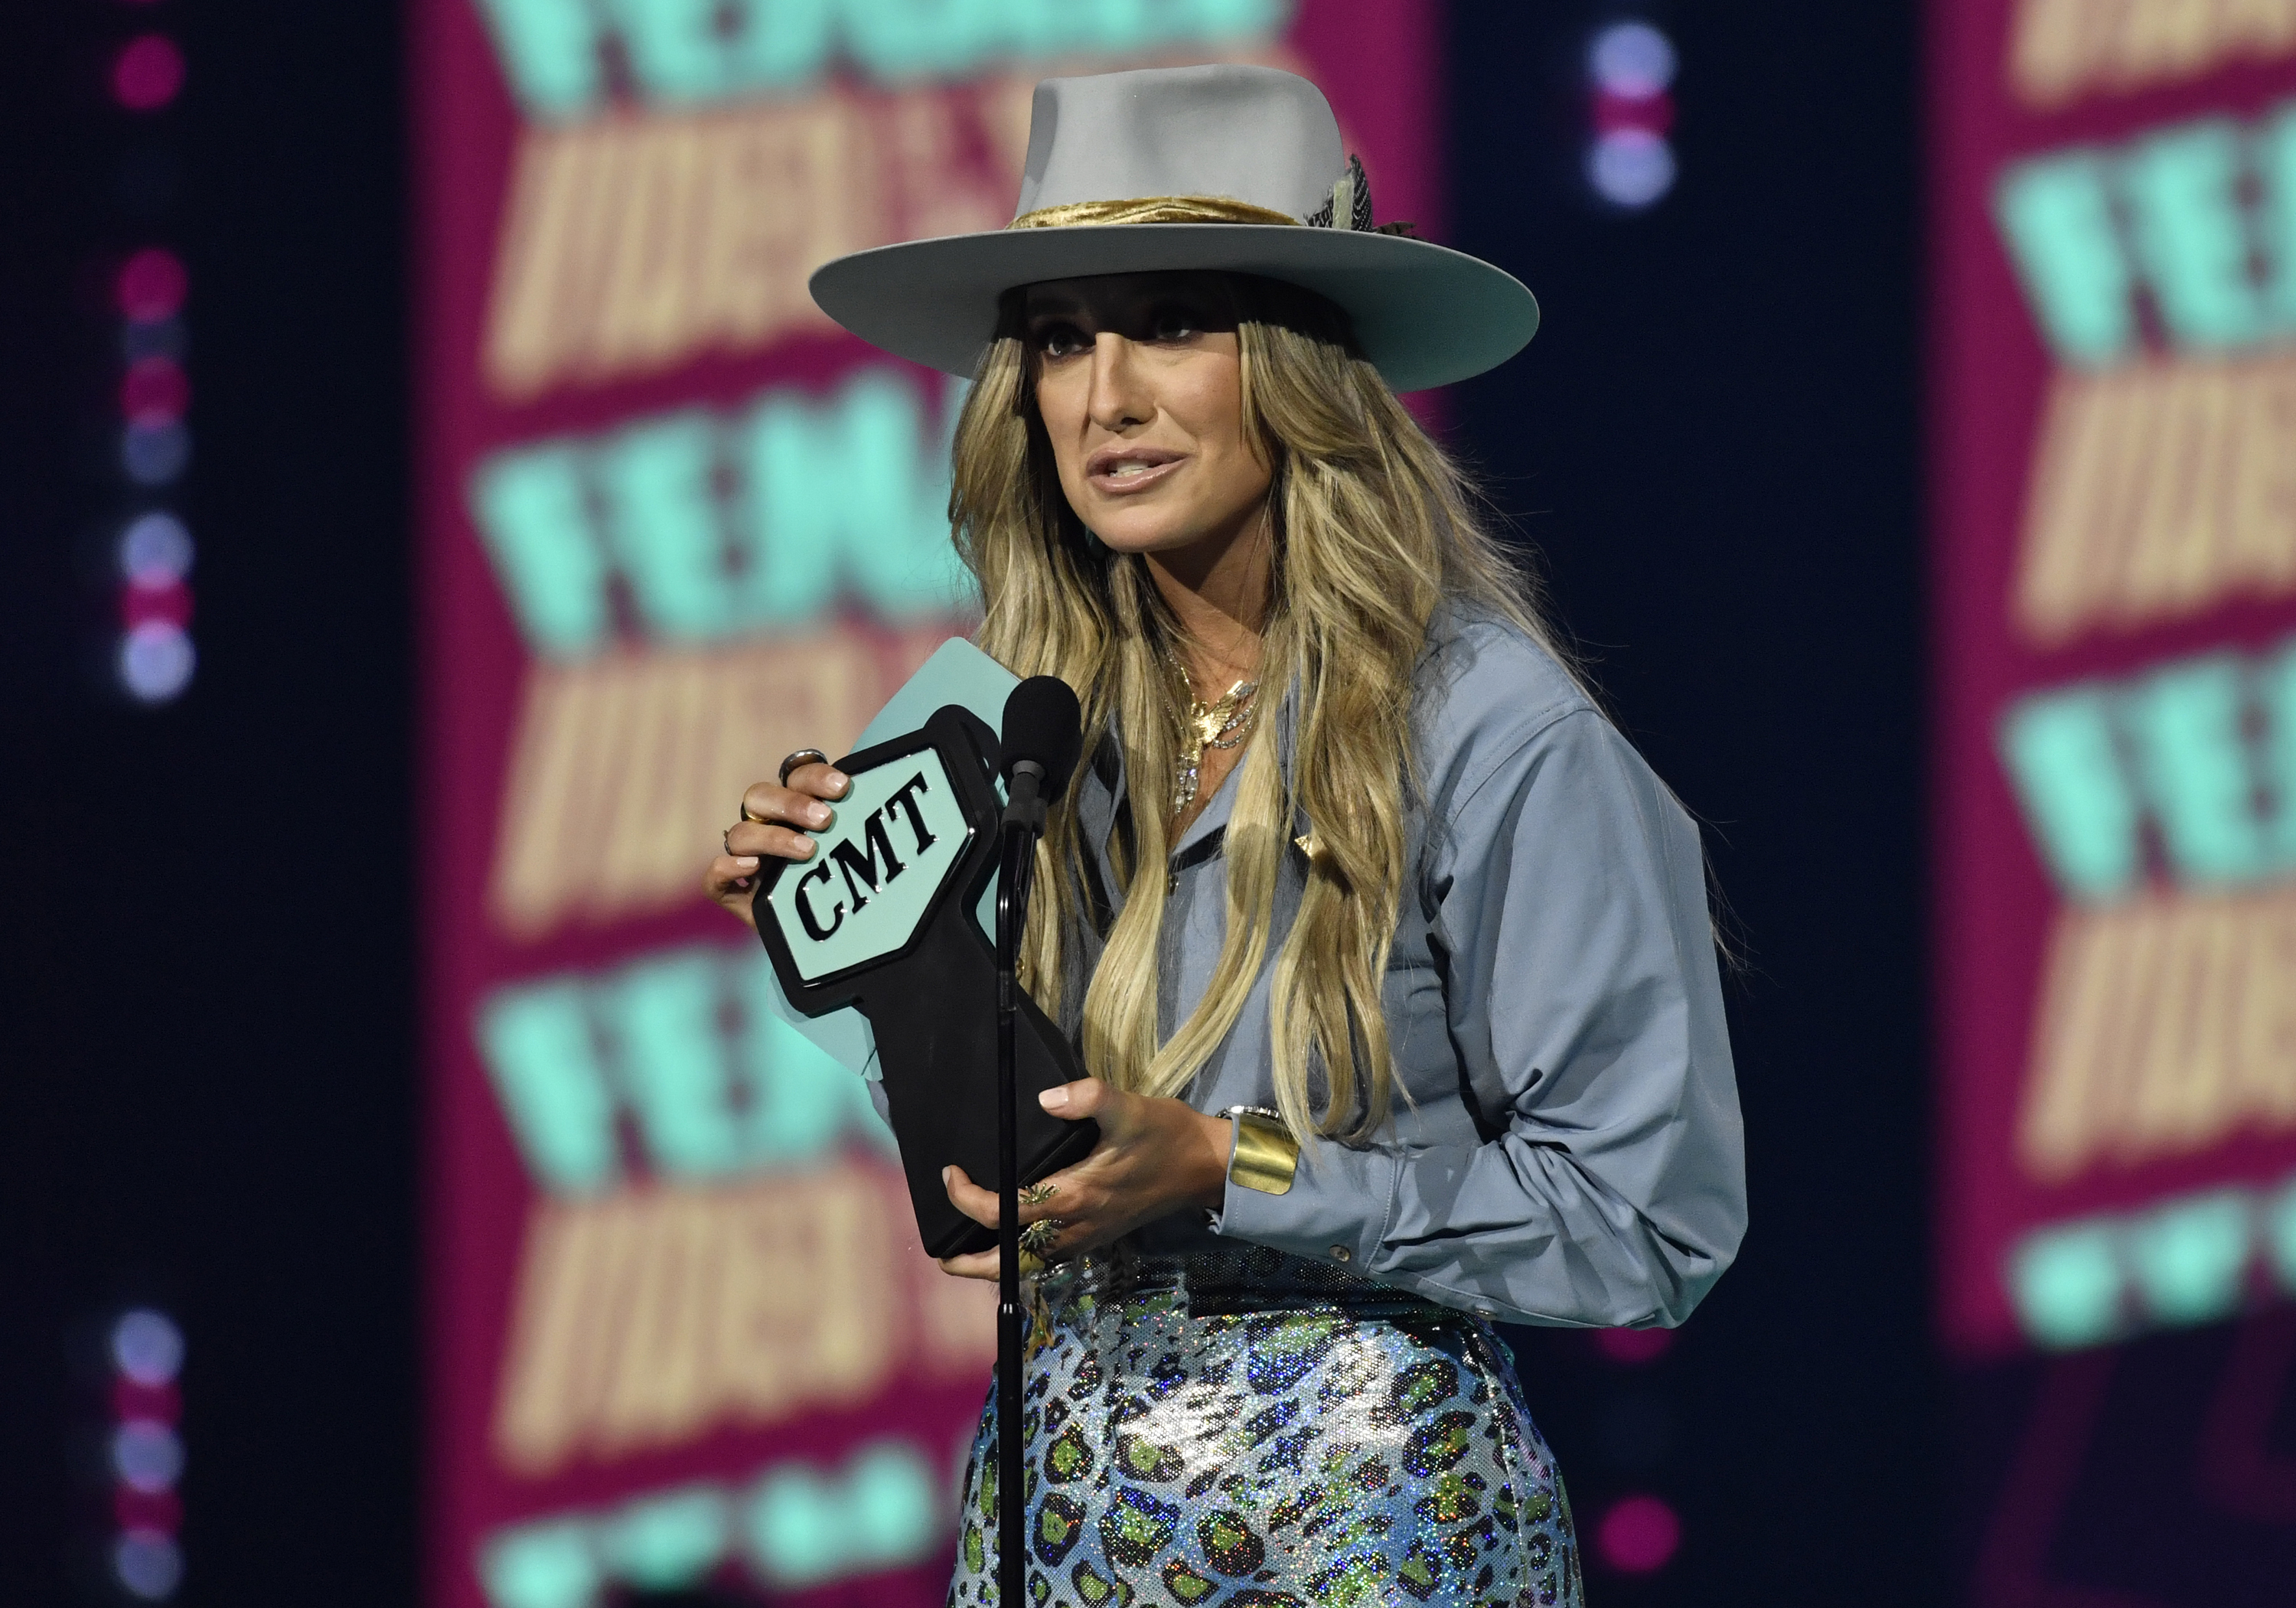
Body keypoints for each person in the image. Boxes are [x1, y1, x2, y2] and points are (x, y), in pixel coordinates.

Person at [706, 63, 1743, 1608]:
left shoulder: (1493, 734)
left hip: (1377, 1544)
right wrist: (869, 950)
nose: (1105, 394)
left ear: (1299, 366)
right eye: (1061, 337)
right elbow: (1025, 1159)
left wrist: (1233, 1165)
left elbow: (1651, 1221)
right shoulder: (1024, 733)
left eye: (1172, 324)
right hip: (1062, 1530)